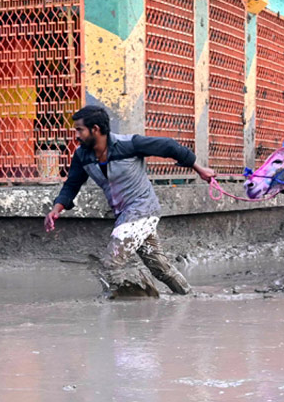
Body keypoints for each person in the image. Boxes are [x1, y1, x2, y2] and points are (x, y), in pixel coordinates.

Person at [45, 105, 216, 296]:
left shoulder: (129, 145)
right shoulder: (82, 155)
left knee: (111, 262)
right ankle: (189, 297)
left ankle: (114, 309)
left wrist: (200, 169)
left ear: (95, 129)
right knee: (160, 267)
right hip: (125, 217)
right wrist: (56, 208)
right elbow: (72, 184)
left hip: (143, 211)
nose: (76, 135)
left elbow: (169, 146)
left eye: (79, 129)